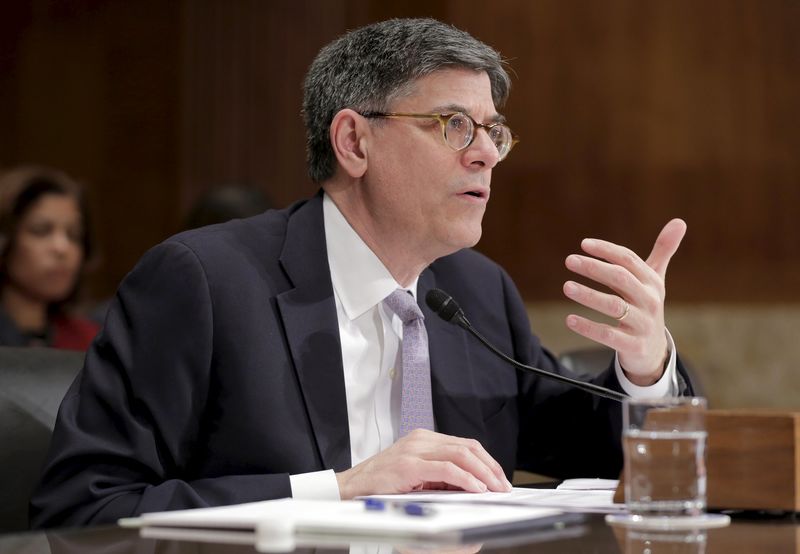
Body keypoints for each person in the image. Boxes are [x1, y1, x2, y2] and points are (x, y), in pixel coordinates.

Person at [30, 18, 693, 528]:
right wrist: (338, 490)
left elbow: (591, 453)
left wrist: (644, 369)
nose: (487, 153)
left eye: (494, 131)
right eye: (455, 124)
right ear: (354, 142)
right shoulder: (203, 283)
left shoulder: (475, 290)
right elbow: (83, 508)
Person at [0, 166, 99, 351]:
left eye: (74, 235)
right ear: (5, 239)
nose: (62, 248)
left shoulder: (91, 342)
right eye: (41, 231)